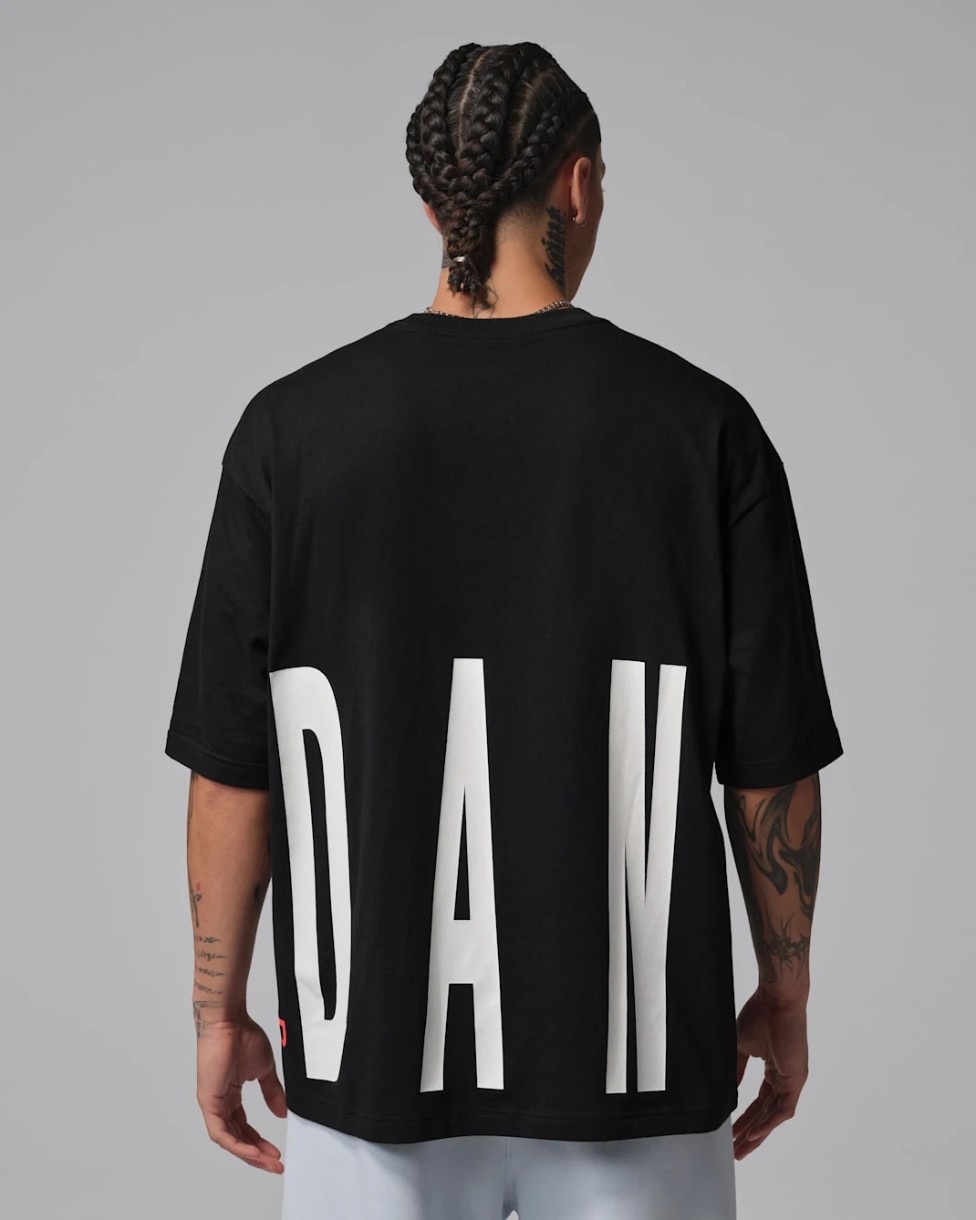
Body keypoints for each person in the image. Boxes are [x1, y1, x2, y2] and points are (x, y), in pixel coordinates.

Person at [164, 40, 844, 1220]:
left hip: (366, 1063)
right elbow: (769, 768)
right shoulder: (703, 429)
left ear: (431, 204)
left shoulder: (290, 432)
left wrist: (216, 1012)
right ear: (577, 183)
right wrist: (783, 990)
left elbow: (233, 769)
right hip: (636, 1065)